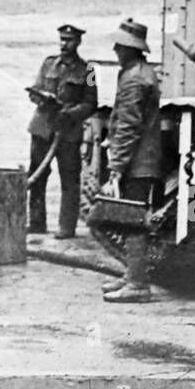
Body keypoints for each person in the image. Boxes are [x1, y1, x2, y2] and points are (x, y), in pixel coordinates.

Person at [100, 18, 163, 303]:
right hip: (143, 160)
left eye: (119, 45)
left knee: (132, 221)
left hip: (137, 163)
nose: (115, 49)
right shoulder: (140, 72)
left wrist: (115, 168)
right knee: (131, 220)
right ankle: (132, 274)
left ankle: (137, 284)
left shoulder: (134, 79)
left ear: (129, 48)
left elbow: (128, 127)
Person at [26, 23, 97, 238]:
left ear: (78, 42)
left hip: (68, 132)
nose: (64, 45)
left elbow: (90, 104)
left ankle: (67, 227)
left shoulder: (89, 71)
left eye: (69, 40)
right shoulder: (48, 64)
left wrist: (69, 113)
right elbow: (34, 91)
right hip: (43, 128)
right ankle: (37, 222)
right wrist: (41, 98)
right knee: (37, 175)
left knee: (69, 179)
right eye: (62, 40)